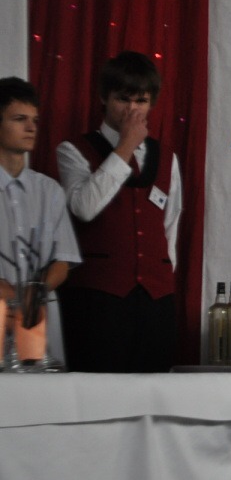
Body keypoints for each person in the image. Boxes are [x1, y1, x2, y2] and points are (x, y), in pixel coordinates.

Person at [56, 51, 182, 372]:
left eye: (141, 101)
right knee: (98, 390)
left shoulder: (166, 157)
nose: (132, 109)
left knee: (155, 389)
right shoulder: (74, 150)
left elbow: (170, 226)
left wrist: (161, 278)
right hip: (98, 298)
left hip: (155, 298)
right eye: (123, 99)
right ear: (104, 97)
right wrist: (125, 146)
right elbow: (84, 207)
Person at [0, 77, 81, 364]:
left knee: (41, 385)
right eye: (19, 119)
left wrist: (36, 291)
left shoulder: (49, 190)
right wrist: (10, 295)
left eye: (34, 119)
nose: (31, 127)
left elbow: (63, 260)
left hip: (39, 314)